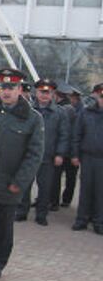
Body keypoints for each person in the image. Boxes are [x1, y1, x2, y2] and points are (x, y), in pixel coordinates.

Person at [0, 68, 43, 279]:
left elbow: (34, 155)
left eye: (11, 87)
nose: (6, 92)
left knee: (3, 230)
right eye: (3, 87)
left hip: (8, 184)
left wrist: (19, 183)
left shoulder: (32, 118)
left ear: (20, 89)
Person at [16, 79, 69, 225]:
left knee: (45, 187)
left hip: (48, 156)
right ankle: (22, 211)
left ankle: (41, 214)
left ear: (53, 94)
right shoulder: (28, 110)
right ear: (36, 92)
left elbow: (64, 135)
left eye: (48, 92)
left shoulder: (60, 113)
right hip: (29, 155)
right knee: (25, 185)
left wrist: (60, 153)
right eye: (42, 92)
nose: (44, 95)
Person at [71, 83, 103, 234]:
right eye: (101, 96)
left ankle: (99, 222)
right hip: (88, 156)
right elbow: (77, 135)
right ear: (97, 96)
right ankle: (81, 219)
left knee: (100, 191)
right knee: (85, 189)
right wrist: (75, 154)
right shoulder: (86, 112)